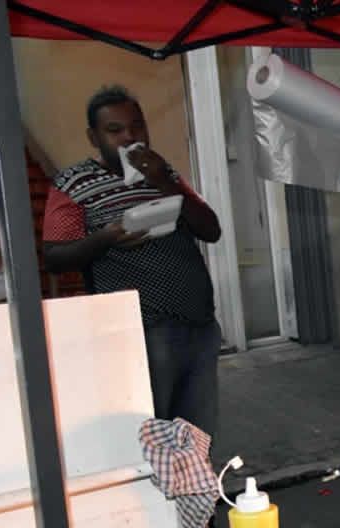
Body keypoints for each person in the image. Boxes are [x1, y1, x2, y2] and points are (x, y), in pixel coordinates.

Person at [43, 86, 223, 438]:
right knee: (150, 438)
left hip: (199, 323)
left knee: (196, 437)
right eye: (115, 130)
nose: (129, 137)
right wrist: (107, 237)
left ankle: (193, 477)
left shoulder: (162, 172)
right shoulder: (72, 183)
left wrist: (164, 182)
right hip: (140, 334)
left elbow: (211, 229)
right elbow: (54, 256)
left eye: (136, 126)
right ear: (93, 137)